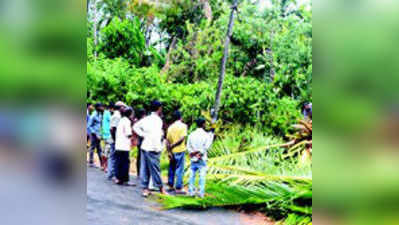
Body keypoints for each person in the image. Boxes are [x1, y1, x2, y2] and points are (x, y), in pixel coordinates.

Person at [133, 101, 168, 197]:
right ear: (159, 108)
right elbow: (157, 136)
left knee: (145, 168)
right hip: (153, 147)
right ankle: (161, 188)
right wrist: (159, 147)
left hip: (145, 146)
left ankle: (145, 189)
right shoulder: (158, 120)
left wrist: (143, 135)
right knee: (155, 169)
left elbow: (135, 126)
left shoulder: (146, 119)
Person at [187, 118, 214, 198]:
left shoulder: (191, 134)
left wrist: (193, 153)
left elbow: (188, 146)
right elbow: (207, 147)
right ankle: (201, 192)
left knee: (192, 174)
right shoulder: (205, 135)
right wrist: (200, 153)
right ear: (203, 124)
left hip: (193, 158)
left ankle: (191, 191)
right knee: (202, 175)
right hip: (202, 158)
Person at [166, 110, 188, 194]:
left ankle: (170, 185)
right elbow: (182, 138)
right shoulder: (183, 126)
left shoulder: (170, 127)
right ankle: (178, 187)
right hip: (180, 150)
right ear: (180, 117)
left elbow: (167, 140)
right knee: (179, 169)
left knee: (171, 168)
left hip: (172, 151)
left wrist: (169, 151)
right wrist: (174, 145)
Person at [114, 107, 133, 185]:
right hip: (124, 145)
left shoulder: (121, 120)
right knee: (125, 163)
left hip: (118, 145)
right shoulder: (127, 121)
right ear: (130, 114)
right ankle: (125, 180)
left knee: (119, 162)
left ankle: (118, 178)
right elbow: (128, 134)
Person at [107, 101, 126, 180]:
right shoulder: (117, 116)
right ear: (120, 107)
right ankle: (112, 174)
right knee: (114, 157)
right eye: (123, 107)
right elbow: (112, 129)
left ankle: (111, 173)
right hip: (114, 139)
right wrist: (115, 139)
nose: (124, 108)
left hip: (114, 139)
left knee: (113, 157)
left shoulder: (116, 115)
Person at [88, 103, 104, 167]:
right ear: (97, 107)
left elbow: (99, 125)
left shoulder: (100, 114)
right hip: (93, 134)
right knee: (92, 148)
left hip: (98, 134)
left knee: (99, 148)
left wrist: (100, 134)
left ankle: (102, 163)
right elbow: (89, 126)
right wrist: (94, 133)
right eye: (100, 106)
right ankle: (91, 162)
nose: (101, 108)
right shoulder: (93, 115)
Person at [134, 108, 147, 177]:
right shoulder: (144, 121)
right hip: (144, 141)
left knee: (139, 157)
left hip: (139, 141)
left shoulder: (138, 121)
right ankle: (143, 173)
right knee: (143, 157)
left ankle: (139, 173)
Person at [101, 103, 113, 172]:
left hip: (104, 134)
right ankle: (106, 167)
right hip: (108, 134)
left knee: (104, 150)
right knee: (107, 151)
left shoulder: (104, 113)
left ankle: (103, 166)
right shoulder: (108, 113)